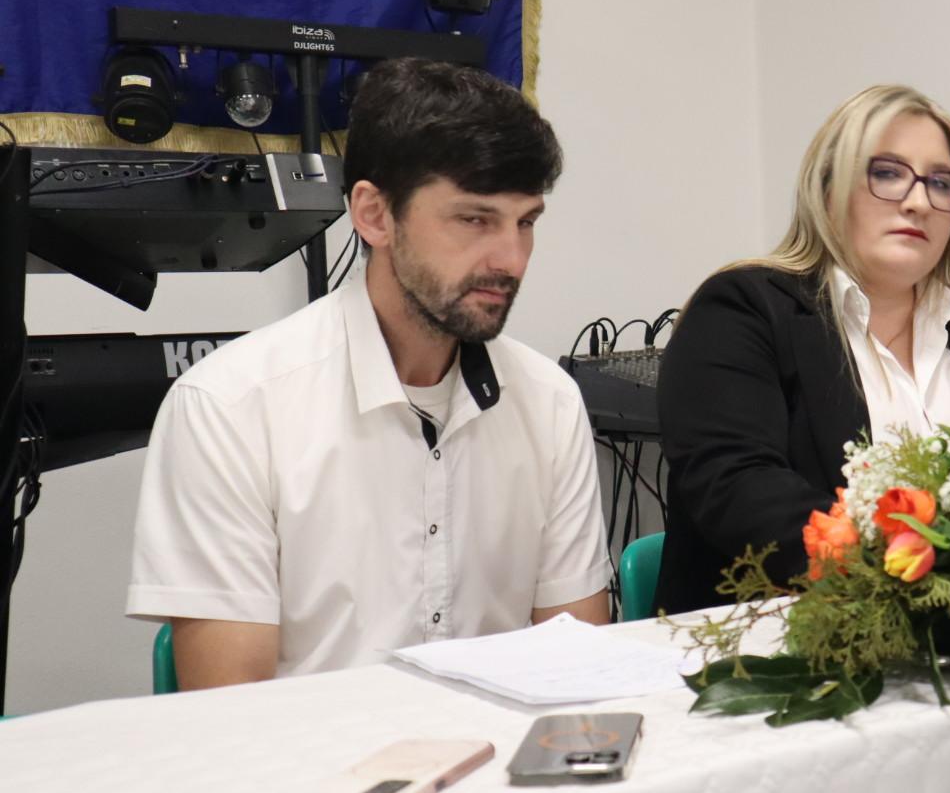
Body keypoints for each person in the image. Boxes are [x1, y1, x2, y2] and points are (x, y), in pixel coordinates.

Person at [126, 58, 612, 689]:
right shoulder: (230, 407)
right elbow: (230, 710)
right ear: (375, 215)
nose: (511, 260)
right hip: (307, 753)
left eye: (526, 223)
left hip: (502, 750)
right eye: (475, 219)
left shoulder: (549, 402)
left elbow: (575, 673)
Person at [654, 85, 950, 613]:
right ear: (828, 187)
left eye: (941, 183)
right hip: (786, 637)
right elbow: (740, 492)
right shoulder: (742, 309)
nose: (918, 201)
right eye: (886, 173)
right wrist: (926, 563)